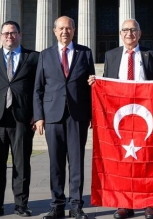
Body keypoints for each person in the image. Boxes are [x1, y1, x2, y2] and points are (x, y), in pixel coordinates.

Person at [90, 19, 153, 219]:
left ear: (140, 34)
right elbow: (107, 84)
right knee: (121, 160)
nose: (129, 34)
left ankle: (150, 203)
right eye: (125, 30)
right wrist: (96, 83)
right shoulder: (111, 55)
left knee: (148, 159)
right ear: (120, 33)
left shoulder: (150, 55)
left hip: (144, 115)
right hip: (121, 117)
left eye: (133, 30)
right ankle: (124, 203)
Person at [0, 21, 39, 218]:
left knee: (21, 163)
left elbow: (40, 87)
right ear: (0, 36)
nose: (9, 36)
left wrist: (38, 113)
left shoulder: (34, 57)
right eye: (5, 33)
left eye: (13, 33)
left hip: (23, 118)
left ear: (20, 35)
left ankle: (21, 205)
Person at [33, 16, 95, 219]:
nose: (64, 32)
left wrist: (93, 114)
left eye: (68, 28)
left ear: (74, 30)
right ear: (54, 31)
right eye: (61, 28)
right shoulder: (45, 55)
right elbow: (38, 89)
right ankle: (57, 205)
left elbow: (93, 88)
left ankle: (76, 205)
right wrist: (39, 117)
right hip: (52, 116)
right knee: (56, 163)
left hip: (78, 115)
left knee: (76, 162)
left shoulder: (85, 53)